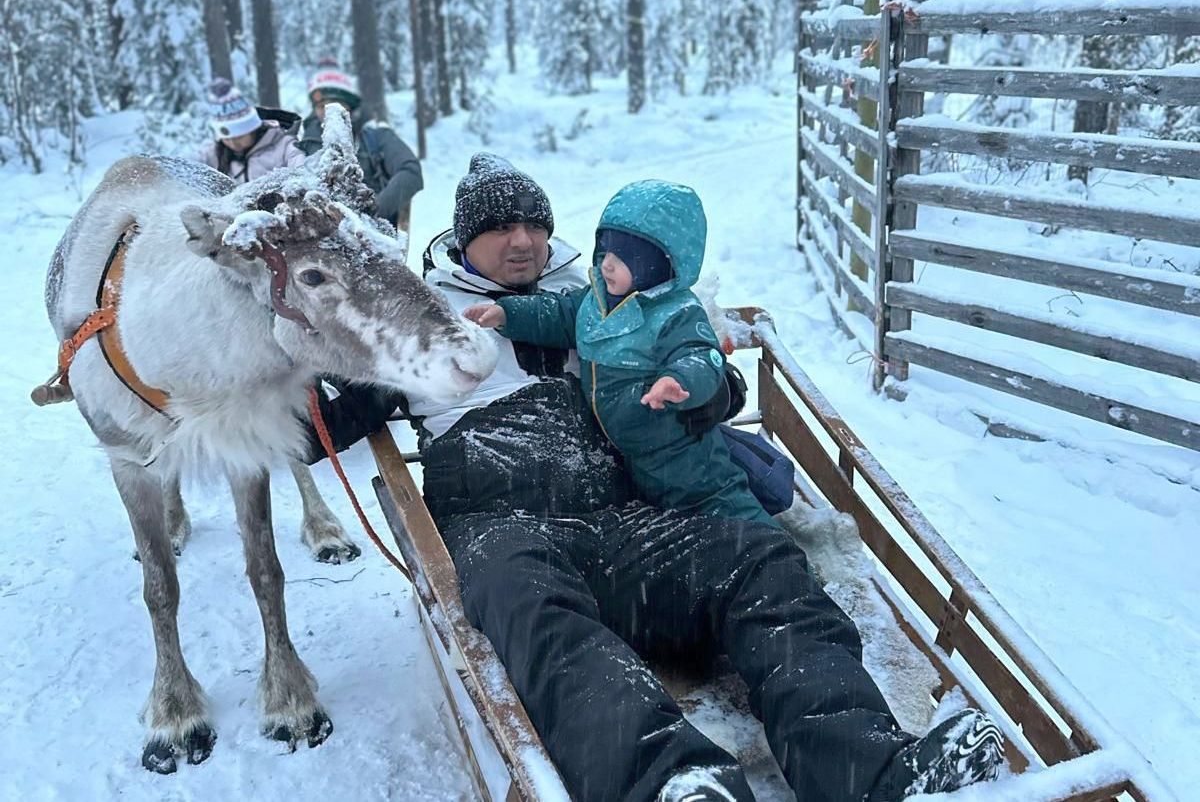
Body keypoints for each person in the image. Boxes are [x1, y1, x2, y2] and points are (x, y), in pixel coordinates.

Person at [308, 155, 1005, 802]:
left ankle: (872, 770)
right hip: (503, 523)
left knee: (757, 558)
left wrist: (705, 396)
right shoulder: (414, 316)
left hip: (620, 518)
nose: (521, 241)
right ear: (465, 238)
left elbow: (708, 368)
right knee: (532, 606)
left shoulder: (606, 299)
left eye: (533, 225)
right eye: (498, 227)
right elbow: (321, 427)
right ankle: (675, 783)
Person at [464, 177, 772, 525]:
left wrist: (677, 380)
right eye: (605, 251)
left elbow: (699, 355)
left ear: (657, 265)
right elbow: (559, 314)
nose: (607, 264)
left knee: (724, 507)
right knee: (679, 520)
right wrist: (508, 314)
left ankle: (788, 565)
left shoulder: (676, 313)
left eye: (623, 258)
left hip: (679, 449)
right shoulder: (596, 299)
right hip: (633, 456)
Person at [297, 59, 422, 231]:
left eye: (335, 104)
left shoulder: (376, 136)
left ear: (349, 105)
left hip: (371, 236)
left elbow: (411, 172)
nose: (327, 111)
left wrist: (373, 212)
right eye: (320, 105)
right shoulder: (305, 142)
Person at [197, 78, 305, 182]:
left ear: (253, 128)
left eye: (239, 136)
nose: (233, 143)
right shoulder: (216, 153)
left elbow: (302, 172)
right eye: (227, 139)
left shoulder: (284, 146)